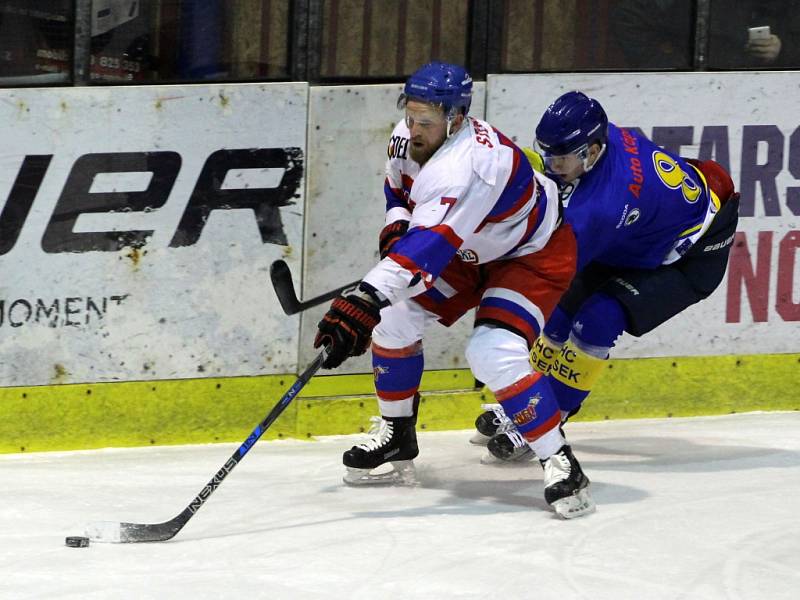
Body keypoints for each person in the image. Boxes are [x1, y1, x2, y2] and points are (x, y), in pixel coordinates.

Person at [313, 62, 595, 519]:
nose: (415, 128)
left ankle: (559, 460)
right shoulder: (409, 137)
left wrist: (363, 299)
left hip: (529, 255)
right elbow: (399, 193)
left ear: (457, 118)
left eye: (427, 121)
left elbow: (428, 249)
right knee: (392, 320)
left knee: (492, 350)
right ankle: (397, 434)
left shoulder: (470, 166)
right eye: (412, 115)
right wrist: (394, 231)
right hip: (468, 251)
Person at [472, 91, 740, 462]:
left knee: (597, 317)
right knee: (562, 309)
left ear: (593, 152)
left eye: (560, 158)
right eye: (546, 152)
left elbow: (546, 268)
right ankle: (534, 396)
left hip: (694, 253)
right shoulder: (596, 141)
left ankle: (551, 417)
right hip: (643, 232)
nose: (552, 164)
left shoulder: (601, 207)